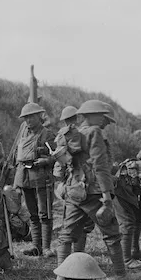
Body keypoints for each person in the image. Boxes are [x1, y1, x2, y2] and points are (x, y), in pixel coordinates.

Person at [54, 100, 131, 280]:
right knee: (111, 232)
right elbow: (100, 166)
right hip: (93, 192)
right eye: (105, 118)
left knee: (66, 234)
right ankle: (121, 275)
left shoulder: (73, 133)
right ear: (94, 115)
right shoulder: (94, 132)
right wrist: (106, 195)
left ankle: (61, 277)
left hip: (74, 190)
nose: (106, 123)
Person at [13, 102, 56, 258]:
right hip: (25, 178)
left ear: (39, 116)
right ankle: (35, 246)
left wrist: (44, 161)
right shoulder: (23, 135)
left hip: (42, 178)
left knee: (45, 213)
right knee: (32, 214)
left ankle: (46, 247)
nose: (28, 120)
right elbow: (17, 158)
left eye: (31, 116)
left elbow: (56, 156)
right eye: (26, 118)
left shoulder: (47, 134)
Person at [54, 106, 94, 254]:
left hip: (72, 183)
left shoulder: (62, 136)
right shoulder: (87, 132)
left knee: (70, 223)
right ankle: (79, 255)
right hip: (88, 182)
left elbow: (59, 165)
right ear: (78, 117)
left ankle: (65, 269)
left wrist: (61, 182)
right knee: (85, 221)